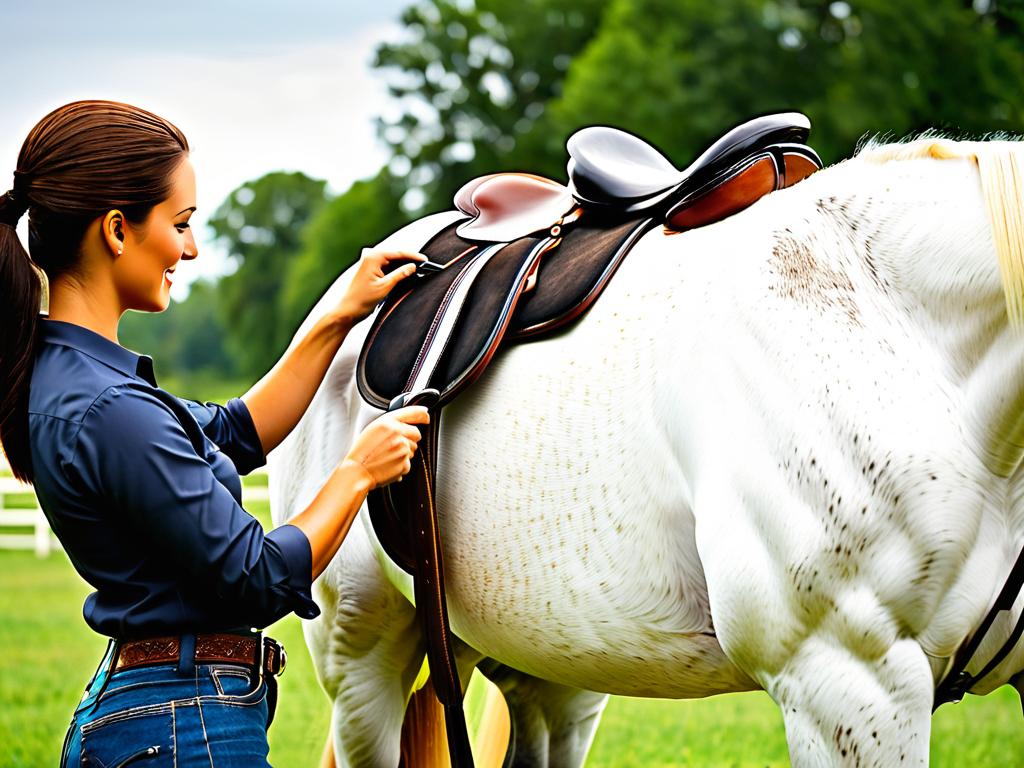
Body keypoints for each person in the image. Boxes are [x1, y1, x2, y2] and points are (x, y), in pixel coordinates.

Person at [0, 100, 429, 766]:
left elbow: (237, 430)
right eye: (180, 224)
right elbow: (256, 575)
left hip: (160, 713)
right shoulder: (109, 407)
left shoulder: (73, 383)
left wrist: (336, 313)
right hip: (183, 726)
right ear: (117, 230)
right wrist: (358, 473)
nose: (191, 249)